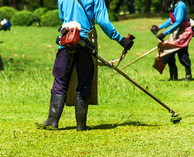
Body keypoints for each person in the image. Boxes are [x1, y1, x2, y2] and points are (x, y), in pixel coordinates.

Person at [37, 0, 134, 131]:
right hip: (85, 44)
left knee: (60, 81)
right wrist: (120, 39)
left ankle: (52, 120)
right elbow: (103, 21)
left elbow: (63, 18)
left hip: (65, 42)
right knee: (84, 82)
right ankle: (81, 125)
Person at [151, 0, 194, 81]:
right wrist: (159, 27)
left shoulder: (181, 5)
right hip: (175, 32)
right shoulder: (174, 4)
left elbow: (178, 21)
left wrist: (165, 33)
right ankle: (173, 76)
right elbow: (171, 19)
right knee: (169, 54)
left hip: (183, 33)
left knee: (182, 55)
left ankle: (188, 75)